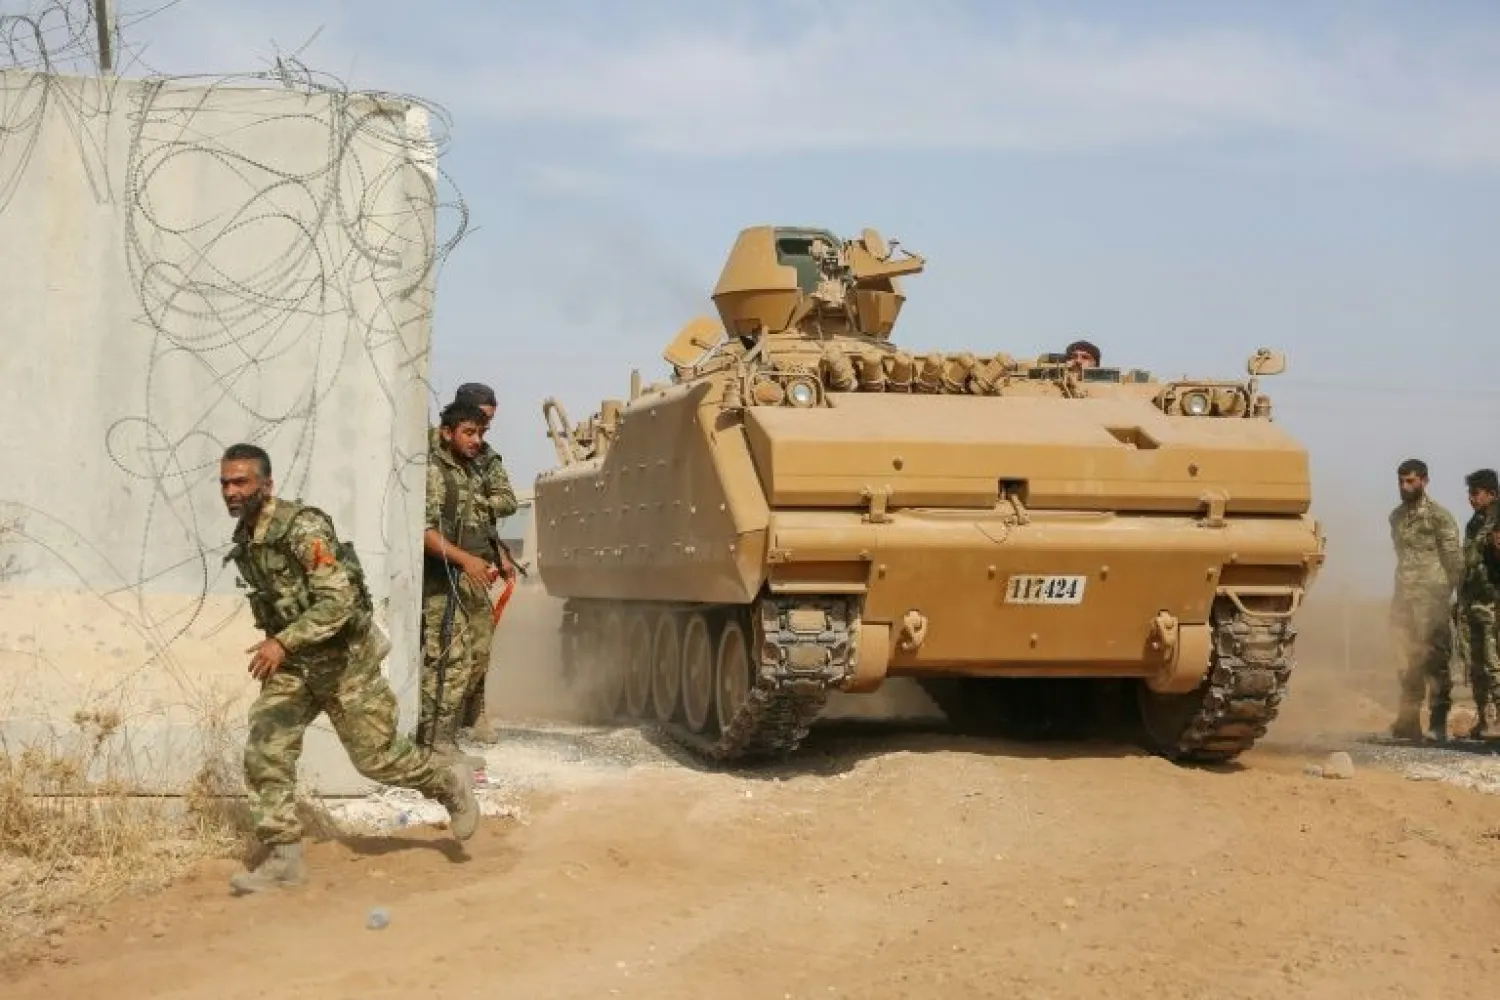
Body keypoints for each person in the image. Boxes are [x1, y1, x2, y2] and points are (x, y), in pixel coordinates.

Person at [219, 443, 478, 895]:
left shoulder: (302, 528)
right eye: (224, 483)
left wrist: (283, 641)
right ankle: (283, 857)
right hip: (296, 668)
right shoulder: (247, 537)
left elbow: (338, 602)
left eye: (240, 481)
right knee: (266, 747)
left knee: (378, 761)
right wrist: (284, 643)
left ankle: (447, 784)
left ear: (266, 484)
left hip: (345, 665)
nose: (230, 491)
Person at [419, 401, 504, 756]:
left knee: (471, 659)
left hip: (465, 576)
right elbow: (422, 531)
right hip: (440, 578)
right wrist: (465, 560)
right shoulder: (433, 471)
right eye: (469, 432)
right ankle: (434, 742)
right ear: (446, 432)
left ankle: (447, 735)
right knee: (446, 661)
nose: (476, 440)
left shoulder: (470, 470)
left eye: (481, 433)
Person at [448, 383, 518, 744]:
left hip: (474, 563)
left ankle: (473, 713)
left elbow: (505, 501)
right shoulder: (436, 453)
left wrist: (499, 552)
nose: (483, 432)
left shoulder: (485, 459)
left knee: (479, 645)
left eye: (488, 424)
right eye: (478, 423)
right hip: (437, 560)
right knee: (441, 648)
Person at [1386, 458, 1461, 741]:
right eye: (1401, 481)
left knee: (1435, 662)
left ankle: (1438, 723)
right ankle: (1408, 721)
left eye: (1411, 481)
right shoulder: (1396, 517)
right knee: (1405, 660)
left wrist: (1449, 596)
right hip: (1403, 599)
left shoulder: (1439, 517)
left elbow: (1454, 561)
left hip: (1432, 601)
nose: (1405, 486)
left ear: (1424, 481)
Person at [1458, 468, 1500, 739]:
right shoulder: (1475, 523)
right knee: (1474, 663)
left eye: (1476, 493)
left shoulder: (1497, 520)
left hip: (1492, 602)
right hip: (1472, 601)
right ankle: (1484, 719)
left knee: (1493, 661)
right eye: (1470, 494)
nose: (1471, 499)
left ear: (1492, 494)